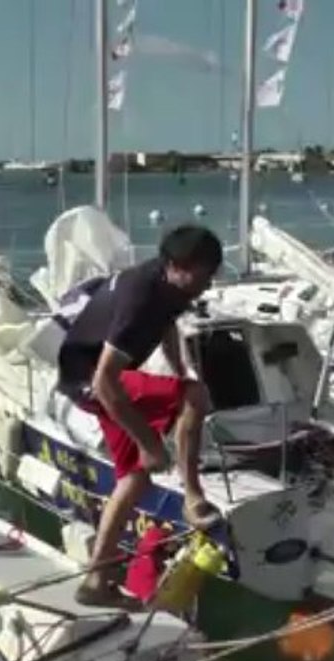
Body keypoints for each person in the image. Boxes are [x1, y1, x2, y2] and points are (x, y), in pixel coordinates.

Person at [56, 224, 224, 607]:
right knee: (195, 397)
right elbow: (104, 382)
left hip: (96, 378)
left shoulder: (174, 285)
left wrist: (179, 369)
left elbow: (168, 322)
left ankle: (96, 581)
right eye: (203, 275)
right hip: (90, 379)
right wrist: (149, 443)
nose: (208, 284)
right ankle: (192, 498)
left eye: (212, 274)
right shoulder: (139, 299)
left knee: (134, 478)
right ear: (177, 266)